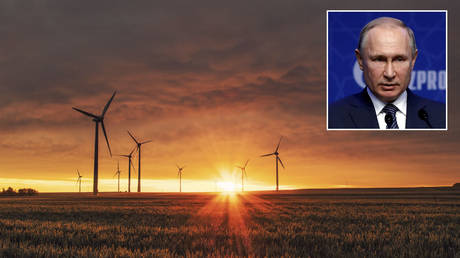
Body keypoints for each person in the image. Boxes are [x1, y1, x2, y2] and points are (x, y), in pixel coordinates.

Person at [329, 17, 446, 129]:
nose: (389, 74)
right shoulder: (332, 118)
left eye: (399, 59)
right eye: (379, 59)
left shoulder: (443, 117)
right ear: (360, 60)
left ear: (413, 60)